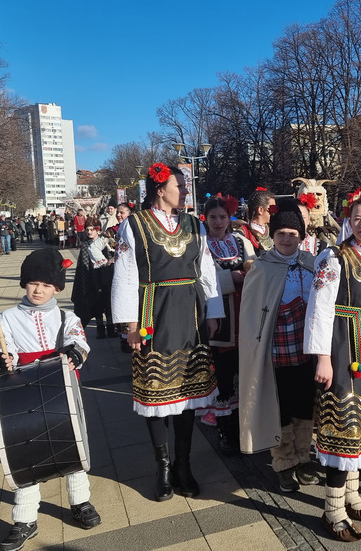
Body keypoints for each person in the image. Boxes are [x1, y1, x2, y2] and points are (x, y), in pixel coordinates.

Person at [112, 163, 222, 502]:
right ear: (161, 189)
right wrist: (130, 324)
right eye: (182, 186)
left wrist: (214, 312)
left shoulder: (194, 225)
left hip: (191, 312)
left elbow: (206, 269)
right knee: (157, 396)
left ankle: (183, 465)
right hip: (152, 313)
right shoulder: (134, 225)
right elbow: (126, 274)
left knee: (187, 394)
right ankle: (161, 468)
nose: (186, 191)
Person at [0, 248, 101, 551]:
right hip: (24, 390)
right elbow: (2, 346)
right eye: (33, 283)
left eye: (46, 284)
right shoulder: (8, 317)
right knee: (27, 449)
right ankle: (24, 519)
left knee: (72, 444)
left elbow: (78, 338)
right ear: (24, 284)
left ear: (56, 287)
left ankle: (80, 501)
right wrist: (3, 358)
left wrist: (75, 350)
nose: (38, 290)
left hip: (62, 389)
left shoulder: (67, 316)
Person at [305, 198, 361, 542]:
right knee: (342, 425)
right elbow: (319, 309)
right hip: (342, 344)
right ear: (350, 222)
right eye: (358, 218)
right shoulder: (334, 258)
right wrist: (323, 358)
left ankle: (354, 496)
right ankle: (332, 511)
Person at [238, 199, 320, 493]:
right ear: (272, 236)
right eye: (281, 233)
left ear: (302, 236)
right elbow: (250, 315)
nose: (287, 238)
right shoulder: (262, 267)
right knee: (280, 407)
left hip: (306, 349)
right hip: (276, 352)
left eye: (293, 233)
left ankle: (303, 457)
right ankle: (284, 462)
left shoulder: (312, 264)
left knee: (304, 405)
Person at [198, 195, 255, 453]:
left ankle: (246, 430)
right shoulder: (201, 245)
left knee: (244, 375)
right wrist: (231, 278)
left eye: (223, 217)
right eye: (213, 218)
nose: (218, 222)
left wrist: (250, 271)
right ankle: (226, 431)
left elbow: (255, 268)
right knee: (223, 375)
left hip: (244, 316)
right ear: (206, 219)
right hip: (219, 318)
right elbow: (199, 280)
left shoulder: (241, 241)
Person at [72, 221, 116, 339]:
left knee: (109, 302)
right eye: (87, 230)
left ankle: (111, 328)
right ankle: (100, 329)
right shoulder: (86, 245)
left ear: (98, 230)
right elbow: (84, 265)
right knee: (97, 304)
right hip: (92, 278)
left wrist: (111, 261)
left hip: (107, 275)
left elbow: (112, 253)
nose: (89, 232)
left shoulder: (105, 241)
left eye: (92, 229)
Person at [234, 188, 276, 253]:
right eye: (273, 208)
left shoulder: (273, 230)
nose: (274, 212)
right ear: (261, 210)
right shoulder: (242, 234)